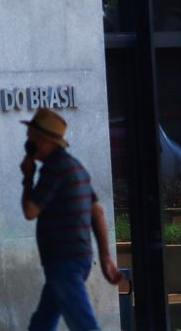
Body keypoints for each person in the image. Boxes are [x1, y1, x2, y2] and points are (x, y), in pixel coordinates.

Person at [19, 108, 122, 331]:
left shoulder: (54, 169)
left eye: (31, 137)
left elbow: (30, 211)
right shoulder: (75, 167)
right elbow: (98, 212)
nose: (27, 141)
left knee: (84, 325)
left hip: (63, 262)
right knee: (42, 323)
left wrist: (28, 178)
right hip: (76, 259)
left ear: (43, 140)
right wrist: (105, 257)